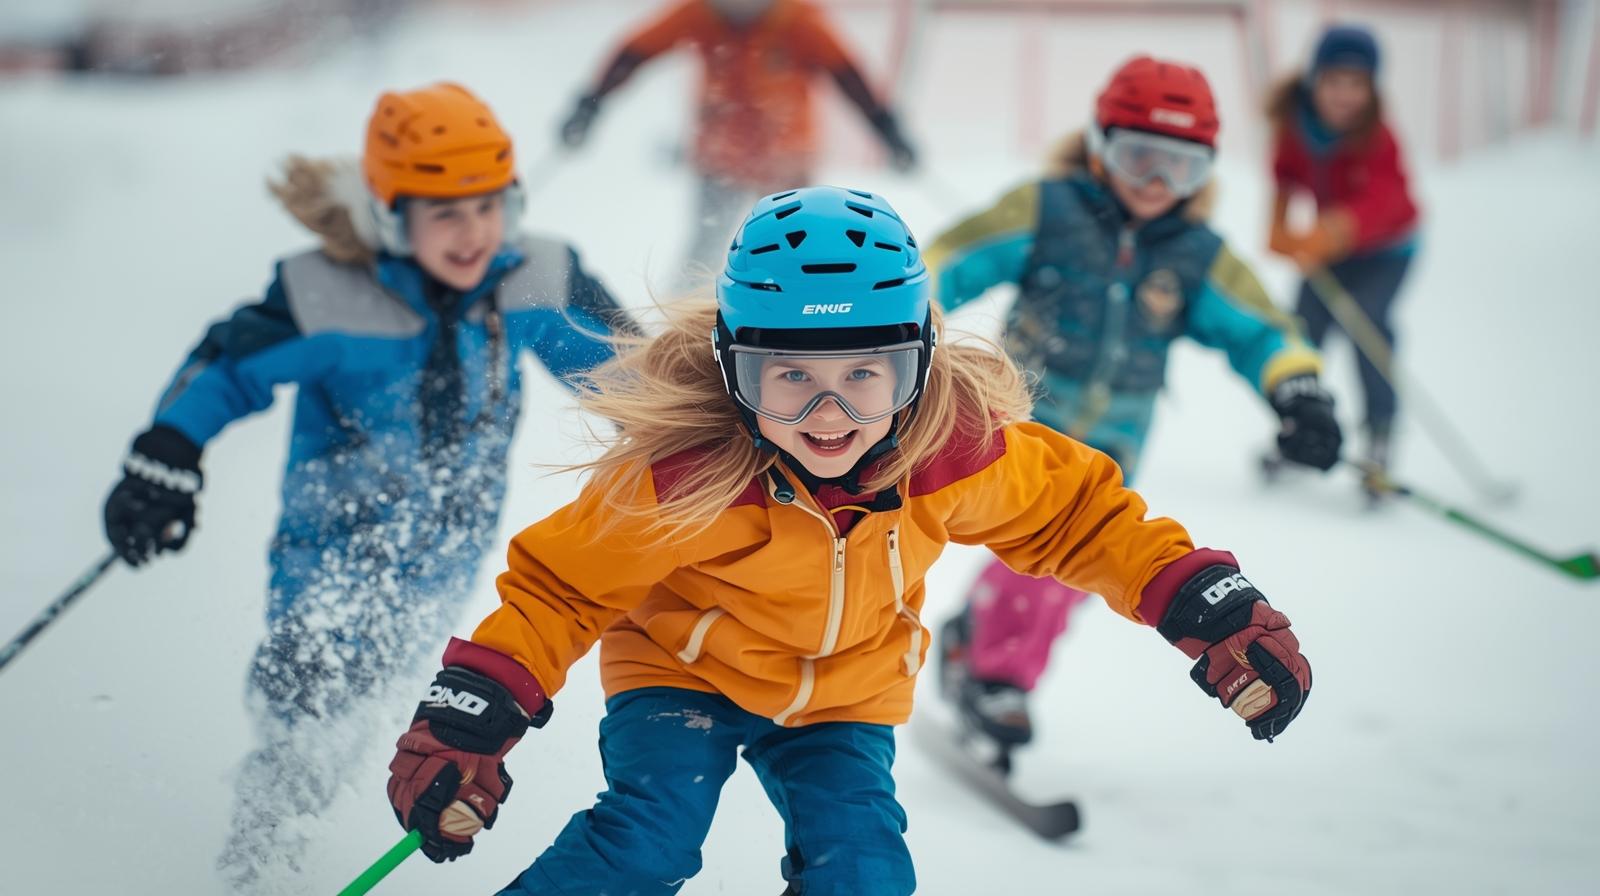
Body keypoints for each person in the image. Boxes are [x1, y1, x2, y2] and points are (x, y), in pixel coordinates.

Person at [382, 186, 1314, 895]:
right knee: (650, 836)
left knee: (863, 870)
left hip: (844, 688)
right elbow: (563, 588)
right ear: (731, 366)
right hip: (685, 672)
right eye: (786, 376)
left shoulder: (952, 450)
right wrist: (474, 708)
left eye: (866, 374)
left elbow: (1081, 516)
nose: (828, 415)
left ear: (920, 361)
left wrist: (1200, 599)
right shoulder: (694, 471)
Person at [99, 83, 631, 890]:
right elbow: (228, 365)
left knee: (366, 710)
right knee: (304, 704)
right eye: (444, 213)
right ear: (391, 217)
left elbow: (636, 378)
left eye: (491, 207)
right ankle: (259, 860)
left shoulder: (531, 279)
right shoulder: (333, 293)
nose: (473, 233)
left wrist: (713, 441)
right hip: (327, 552)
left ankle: (322, 820)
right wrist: (168, 451)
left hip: (441, 563)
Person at [925, 56, 1342, 752]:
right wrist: (900, 323)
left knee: (1068, 571)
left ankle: (986, 660)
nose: (1155, 184)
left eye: (1179, 168)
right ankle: (992, 668)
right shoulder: (1046, 210)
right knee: (1038, 565)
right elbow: (943, 260)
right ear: (1099, 145)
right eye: (1138, 158)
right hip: (1020, 424)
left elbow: (1261, 329)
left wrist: (1295, 386)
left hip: (1110, 445)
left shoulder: (1195, 255)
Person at [558, 0, 918, 282]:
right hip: (721, 157)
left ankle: (795, 318)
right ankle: (684, 326)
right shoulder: (698, 14)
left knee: (793, 244)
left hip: (785, 161)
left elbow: (848, 75)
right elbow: (634, 53)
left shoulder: (798, 20)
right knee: (704, 249)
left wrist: (888, 129)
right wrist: (591, 104)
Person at [1267, 24, 1419, 496]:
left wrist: (1334, 230)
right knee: (1301, 332)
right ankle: (1301, 428)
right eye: (1336, 81)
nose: (1345, 95)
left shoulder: (1380, 138)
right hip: (1328, 253)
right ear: (1315, 80)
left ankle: (1379, 435)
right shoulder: (1297, 127)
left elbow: (1386, 200)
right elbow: (1285, 174)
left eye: (1358, 84)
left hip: (1385, 252)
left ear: (1372, 90)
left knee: (1366, 327)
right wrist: (1278, 222)